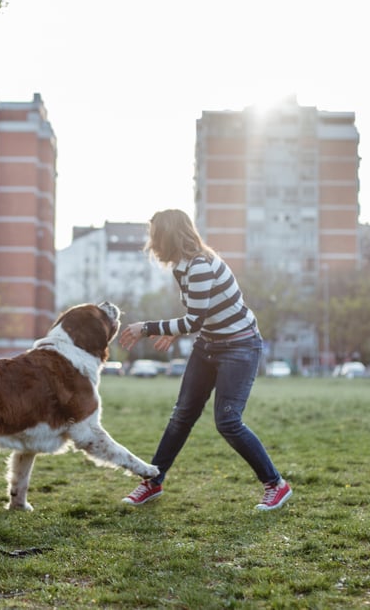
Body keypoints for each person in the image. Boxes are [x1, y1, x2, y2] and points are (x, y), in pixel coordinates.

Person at [118, 209, 292, 512]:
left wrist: (147, 328)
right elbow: (200, 316)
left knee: (228, 421)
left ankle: (276, 484)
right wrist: (178, 329)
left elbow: (194, 320)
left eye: (153, 235)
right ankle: (153, 481)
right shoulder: (181, 267)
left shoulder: (199, 265)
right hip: (209, 345)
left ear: (167, 236)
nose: (151, 242)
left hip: (239, 346)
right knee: (182, 415)